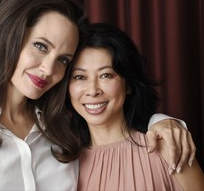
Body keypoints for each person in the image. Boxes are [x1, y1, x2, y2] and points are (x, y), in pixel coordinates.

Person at [0, 0, 195, 190]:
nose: (49, 69)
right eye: (40, 46)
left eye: (63, 60)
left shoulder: (61, 136)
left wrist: (164, 121)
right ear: (8, 37)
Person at [65, 23, 204, 190]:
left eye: (106, 75)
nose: (93, 90)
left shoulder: (169, 147)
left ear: (128, 84)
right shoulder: (64, 163)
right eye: (79, 77)